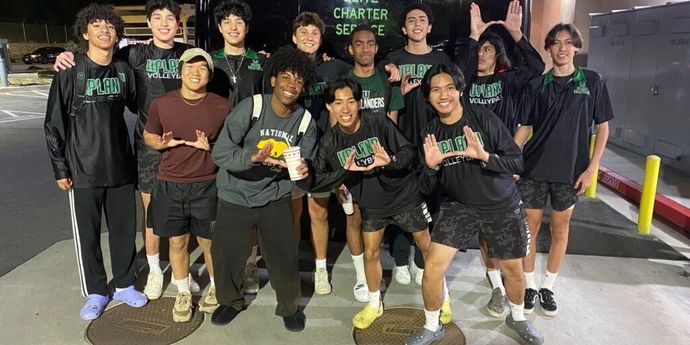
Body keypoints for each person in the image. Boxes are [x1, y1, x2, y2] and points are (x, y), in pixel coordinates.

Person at [53, 0, 200, 299]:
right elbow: (96, 59)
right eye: (157, 18)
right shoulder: (132, 54)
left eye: (169, 18)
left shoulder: (187, 54)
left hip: (174, 150)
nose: (163, 23)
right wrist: (65, 56)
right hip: (137, 152)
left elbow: (216, 70)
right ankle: (148, 275)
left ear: (178, 23)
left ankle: (173, 274)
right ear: (148, 23)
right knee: (150, 215)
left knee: (181, 213)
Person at [297, 78, 451, 329]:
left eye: (350, 101)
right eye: (338, 103)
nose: (345, 109)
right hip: (372, 206)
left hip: (404, 196)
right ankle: (373, 302)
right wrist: (328, 174)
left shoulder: (377, 122)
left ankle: (443, 297)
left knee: (426, 246)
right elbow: (316, 182)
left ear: (359, 103)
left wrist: (389, 161)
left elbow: (409, 152)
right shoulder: (329, 142)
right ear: (329, 108)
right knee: (371, 253)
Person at [406, 63, 543, 345]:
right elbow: (425, 187)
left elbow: (517, 162)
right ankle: (433, 326)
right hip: (459, 206)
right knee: (432, 267)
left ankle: (517, 317)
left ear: (459, 91)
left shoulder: (483, 118)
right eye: (435, 90)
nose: (443, 95)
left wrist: (485, 156)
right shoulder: (430, 133)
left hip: (501, 205)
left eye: (449, 88)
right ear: (428, 97)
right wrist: (430, 168)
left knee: (513, 271)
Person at [44, 3, 147, 320]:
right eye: (97, 25)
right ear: (85, 32)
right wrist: (61, 168)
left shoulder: (123, 70)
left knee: (123, 232)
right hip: (82, 170)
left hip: (120, 168)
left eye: (110, 26)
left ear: (118, 34)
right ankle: (96, 292)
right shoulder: (70, 71)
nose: (105, 30)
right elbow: (53, 124)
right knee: (88, 237)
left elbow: (138, 106)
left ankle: (126, 284)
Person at [209, 45, 317, 332]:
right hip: (235, 194)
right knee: (227, 256)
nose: (292, 85)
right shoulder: (252, 107)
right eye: (286, 77)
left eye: (298, 81)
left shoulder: (305, 121)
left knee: (284, 257)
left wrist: (304, 172)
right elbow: (220, 153)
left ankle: (289, 307)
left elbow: (305, 171)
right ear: (273, 80)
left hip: (275, 196)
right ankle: (230, 301)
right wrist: (251, 158)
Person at [514, 23, 613, 316]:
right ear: (548, 47)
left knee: (560, 230)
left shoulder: (593, 82)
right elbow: (524, 129)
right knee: (529, 229)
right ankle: (530, 285)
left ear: (577, 47)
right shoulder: (536, 86)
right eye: (556, 42)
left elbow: (603, 128)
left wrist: (592, 168)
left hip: (571, 172)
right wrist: (508, 161)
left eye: (569, 43)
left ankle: (549, 286)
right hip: (533, 169)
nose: (562, 48)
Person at [456, 0, 545, 318]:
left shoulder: (507, 82)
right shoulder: (464, 86)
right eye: (478, 50)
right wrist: (473, 36)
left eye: (487, 50)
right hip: (472, 163)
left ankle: (514, 283)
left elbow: (536, 67)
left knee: (506, 228)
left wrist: (516, 33)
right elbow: (456, 70)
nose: (481, 54)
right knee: (483, 228)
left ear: (498, 56)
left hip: (503, 164)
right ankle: (496, 287)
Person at [144, 48, 231, 322]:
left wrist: (213, 146)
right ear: (180, 71)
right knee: (178, 241)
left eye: (202, 68)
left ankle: (216, 288)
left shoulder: (222, 106)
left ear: (209, 74)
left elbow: (233, 145)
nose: (195, 73)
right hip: (170, 183)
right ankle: (183, 292)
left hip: (207, 184)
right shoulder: (162, 103)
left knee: (210, 242)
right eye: (190, 67)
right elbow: (149, 135)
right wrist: (161, 143)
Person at [383, 2, 455, 287]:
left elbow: (453, 99)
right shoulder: (391, 59)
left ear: (429, 27)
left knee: (432, 203)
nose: (416, 24)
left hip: (434, 142)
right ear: (404, 28)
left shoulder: (442, 60)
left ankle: (423, 260)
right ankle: (401, 260)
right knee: (403, 202)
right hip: (401, 142)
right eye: (411, 20)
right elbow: (381, 101)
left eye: (421, 20)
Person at [207, 0, 268, 296]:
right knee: (222, 209)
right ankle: (224, 265)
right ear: (219, 27)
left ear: (247, 27)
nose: (233, 27)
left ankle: (250, 264)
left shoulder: (259, 61)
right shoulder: (209, 60)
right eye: (227, 22)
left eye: (239, 22)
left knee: (251, 205)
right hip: (216, 142)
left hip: (251, 145)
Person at [344, 24, 405, 302]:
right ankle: (361, 277)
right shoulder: (344, 82)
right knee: (354, 218)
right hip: (352, 165)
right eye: (359, 43)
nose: (365, 48)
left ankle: (377, 270)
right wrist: (340, 169)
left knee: (378, 220)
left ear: (376, 48)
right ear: (351, 49)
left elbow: (393, 123)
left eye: (370, 43)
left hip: (381, 163)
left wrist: (390, 161)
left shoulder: (387, 80)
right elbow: (336, 127)